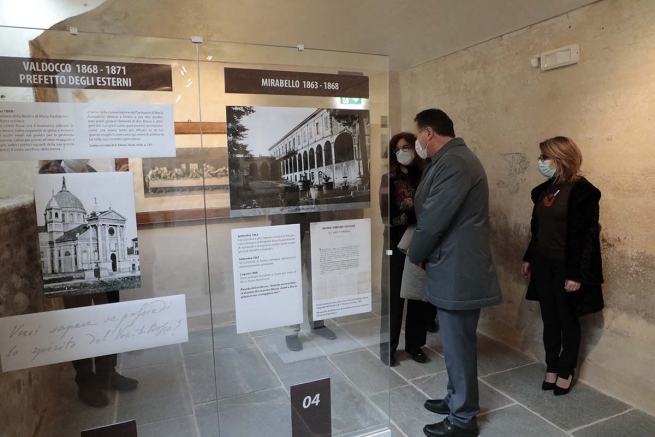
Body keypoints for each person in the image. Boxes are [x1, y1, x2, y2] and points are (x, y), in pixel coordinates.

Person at [407, 109, 502, 437]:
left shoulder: (456, 162)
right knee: (454, 342)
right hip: (450, 265)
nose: (417, 141)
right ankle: (453, 399)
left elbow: (434, 218)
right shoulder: (447, 161)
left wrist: (415, 254)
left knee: (459, 345)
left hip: (458, 269)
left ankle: (463, 419)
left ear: (429, 132)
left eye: (417, 134)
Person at [39, 159, 139, 408]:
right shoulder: (49, 173)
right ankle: (86, 382)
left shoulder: (92, 172)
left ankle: (108, 373)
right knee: (79, 324)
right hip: (69, 248)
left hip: (106, 275)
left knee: (108, 317)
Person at [521, 136, 604, 396]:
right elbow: (538, 230)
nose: (541, 162)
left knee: (568, 319)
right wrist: (529, 257)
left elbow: (587, 237)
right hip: (543, 263)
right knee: (549, 318)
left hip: (567, 266)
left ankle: (566, 369)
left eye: (545, 158)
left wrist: (577, 274)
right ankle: (552, 367)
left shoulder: (584, 193)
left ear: (560, 159)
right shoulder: (544, 190)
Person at [379, 132, 438, 367]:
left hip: (421, 240)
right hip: (395, 242)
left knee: (417, 294)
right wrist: (413, 216)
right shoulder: (389, 178)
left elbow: (435, 207)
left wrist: (416, 217)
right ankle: (389, 346)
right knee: (394, 296)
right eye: (398, 148)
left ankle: (414, 345)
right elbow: (387, 216)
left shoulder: (426, 174)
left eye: (407, 146)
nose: (403, 151)